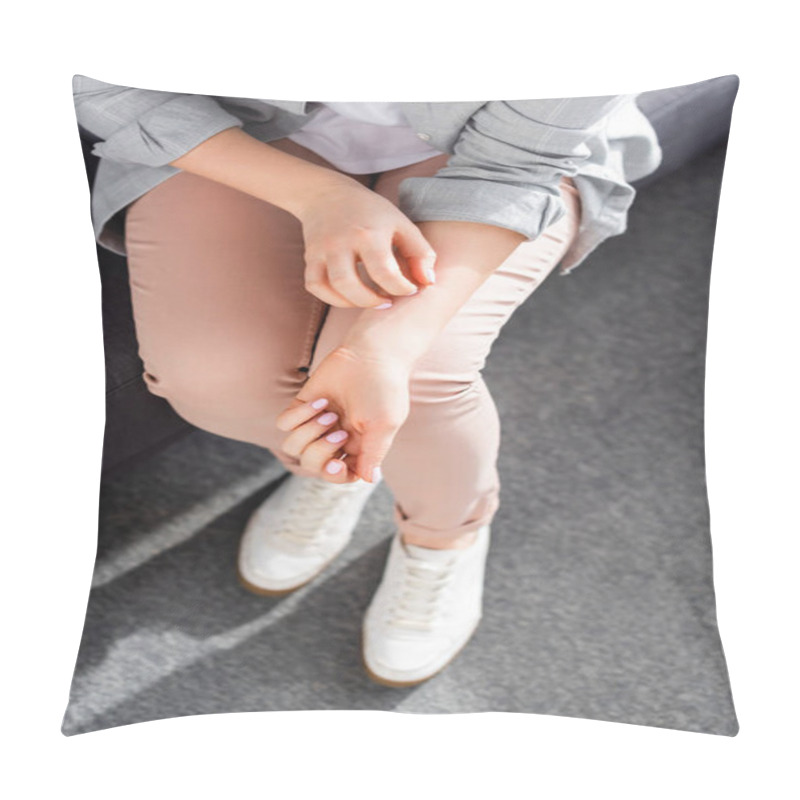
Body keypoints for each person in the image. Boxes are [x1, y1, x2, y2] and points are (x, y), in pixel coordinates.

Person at [72, 77, 662, 687]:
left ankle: (442, 538)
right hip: (239, 122)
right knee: (211, 376)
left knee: (421, 375)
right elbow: (92, 74)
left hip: (498, 147)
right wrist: (318, 195)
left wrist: (379, 352)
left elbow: (517, 160)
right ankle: (331, 466)